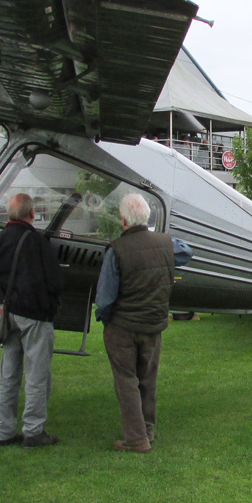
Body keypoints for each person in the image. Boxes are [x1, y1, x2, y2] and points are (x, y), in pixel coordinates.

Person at [94, 193, 193, 453]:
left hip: (123, 326)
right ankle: (147, 429)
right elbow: (186, 252)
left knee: (126, 380)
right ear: (146, 217)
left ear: (123, 220)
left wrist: (104, 319)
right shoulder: (166, 244)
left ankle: (136, 439)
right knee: (147, 379)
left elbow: (104, 298)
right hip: (153, 325)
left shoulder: (116, 250)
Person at [0, 193, 63, 448]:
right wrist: (51, 305)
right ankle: (33, 431)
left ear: (9, 214)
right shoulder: (38, 242)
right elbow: (55, 281)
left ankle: (2, 431)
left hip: (8, 313)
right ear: (31, 214)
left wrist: (2, 301)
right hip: (35, 314)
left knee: (8, 375)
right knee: (37, 375)